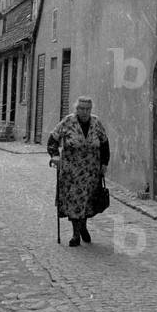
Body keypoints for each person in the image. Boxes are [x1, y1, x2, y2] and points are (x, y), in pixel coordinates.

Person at [47, 96, 110, 246]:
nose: (84, 111)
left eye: (87, 109)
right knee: (75, 201)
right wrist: (55, 155)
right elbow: (53, 139)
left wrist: (104, 163)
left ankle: (83, 226)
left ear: (91, 109)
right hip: (72, 172)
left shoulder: (96, 123)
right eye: (81, 108)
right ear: (76, 109)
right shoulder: (68, 121)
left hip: (91, 171)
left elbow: (105, 143)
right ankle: (76, 234)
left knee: (87, 200)